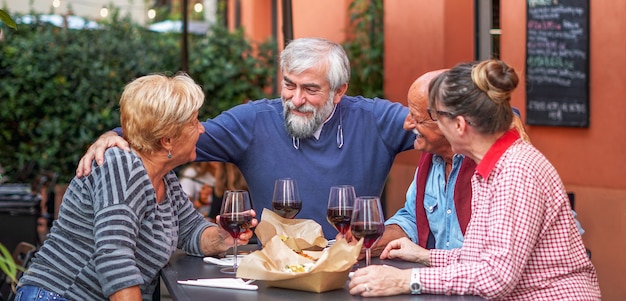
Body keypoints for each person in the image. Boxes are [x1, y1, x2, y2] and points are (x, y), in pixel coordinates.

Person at [75, 37, 415, 239]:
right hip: (276, 273)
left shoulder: (376, 119)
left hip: (355, 270)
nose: (295, 99)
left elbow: (440, 131)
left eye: (310, 89)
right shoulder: (253, 121)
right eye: (289, 84)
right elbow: (170, 136)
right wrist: (114, 135)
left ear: (339, 91)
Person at [348, 60, 600, 300]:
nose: (409, 125)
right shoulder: (490, 168)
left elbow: (496, 277)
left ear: (458, 125)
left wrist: (406, 280)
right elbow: (480, 258)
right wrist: (426, 257)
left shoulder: (515, 170)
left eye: (433, 117)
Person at [16, 73, 257, 301]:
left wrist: (223, 236)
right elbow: (115, 259)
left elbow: (192, 230)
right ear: (167, 140)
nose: (202, 129)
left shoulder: (165, 177)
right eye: (194, 123)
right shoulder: (122, 167)